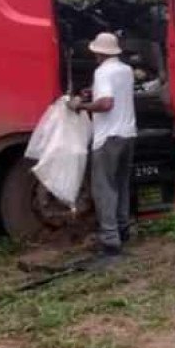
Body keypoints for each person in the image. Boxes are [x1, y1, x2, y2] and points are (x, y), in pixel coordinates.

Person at [70, 31, 137, 253]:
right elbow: (115, 95)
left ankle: (110, 239)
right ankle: (123, 228)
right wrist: (93, 93)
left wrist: (80, 106)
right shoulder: (126, 70)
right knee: (120, 183)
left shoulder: (102, 72)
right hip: (128, 134)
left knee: (104, 188)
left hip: (108, 137)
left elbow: (107, 104)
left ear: (98, 53)